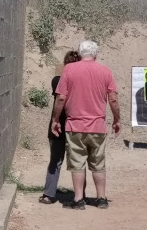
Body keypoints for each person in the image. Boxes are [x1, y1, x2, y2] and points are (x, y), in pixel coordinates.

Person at [51, 40, 121, 210]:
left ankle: (78, 199)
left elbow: (61, 98)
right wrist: (117, 119)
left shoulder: (69, 70)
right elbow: (113, 99)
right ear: (95, 53)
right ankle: (102, 198)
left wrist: (55, 119)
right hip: (98, 126)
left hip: (75, 126)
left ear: (80, 53)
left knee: (77, 163)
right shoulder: (105, 71)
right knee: (98, 163)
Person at [39, 51, 81, 204]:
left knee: (55, 160)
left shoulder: (57, 80)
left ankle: (49, 194)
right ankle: (80, 195)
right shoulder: (80, 82)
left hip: (58, 126)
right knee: (78, 162)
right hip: (76, 126)